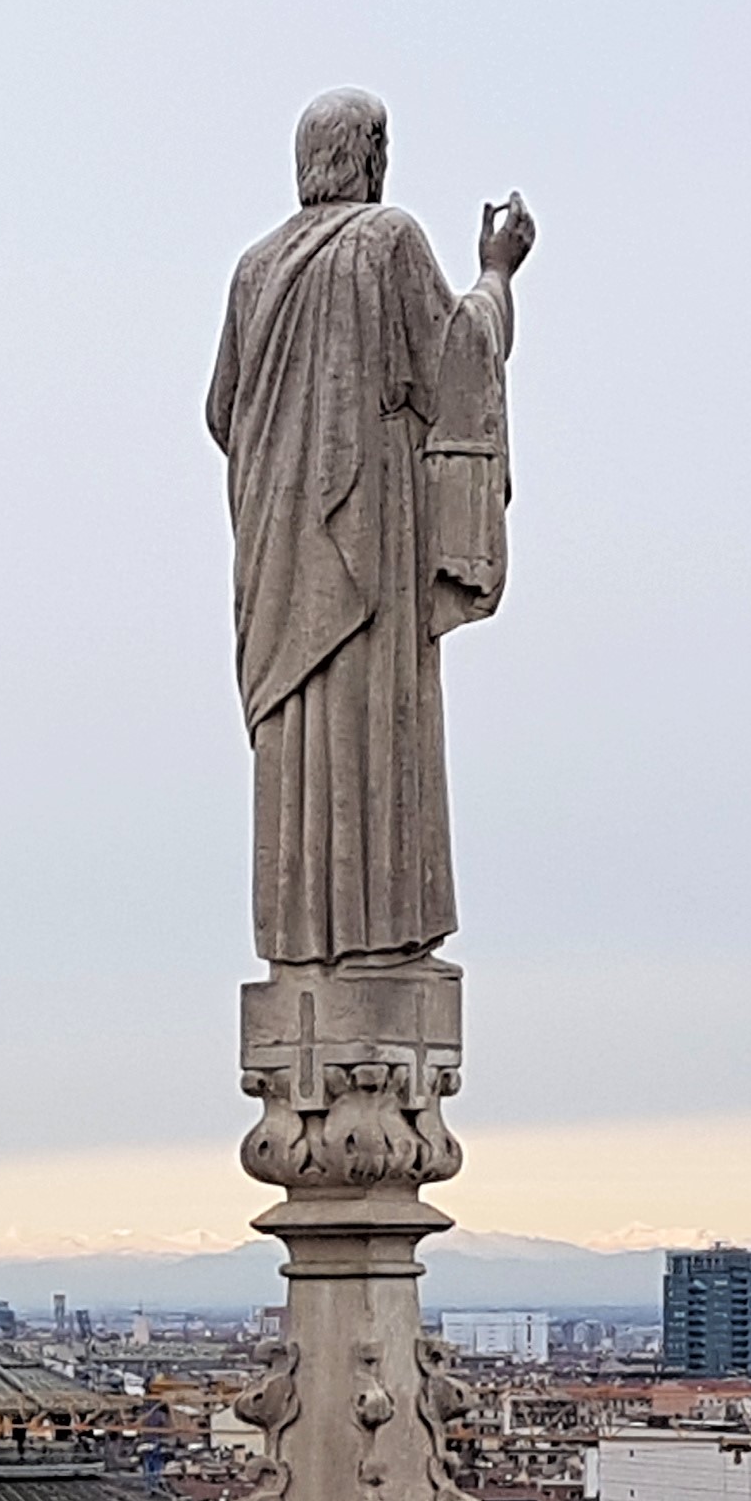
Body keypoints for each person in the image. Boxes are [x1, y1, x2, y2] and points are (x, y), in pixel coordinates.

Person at [207, 92, 532, 969]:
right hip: (369, 540)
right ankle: (379, 944)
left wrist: (292, 459)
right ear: (373, 156)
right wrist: (498, 273)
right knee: (375, 722)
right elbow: (457, 352)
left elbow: (221, 411)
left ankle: (303, 951)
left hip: (278, 559)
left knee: (301, 741)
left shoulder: (252, 270)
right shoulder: (388, 241)